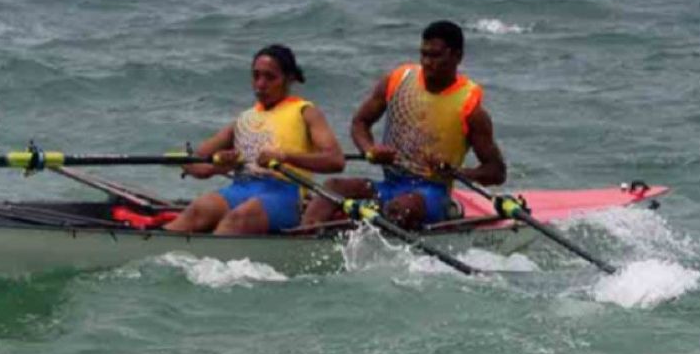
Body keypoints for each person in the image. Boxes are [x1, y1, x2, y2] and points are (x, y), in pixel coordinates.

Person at [302, 20, 506, 229]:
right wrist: (370, 150)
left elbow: (496, 172)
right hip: (390, 186)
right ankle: (305, 240)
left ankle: (447, 211)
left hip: (432, 193)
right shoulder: (399, 80)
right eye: (423, 54)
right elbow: (360, 123)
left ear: (457, 56)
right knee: (332, 187)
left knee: (401, 207)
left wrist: (457, 172)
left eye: (435, 55)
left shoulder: (471, 109)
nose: (427, 62)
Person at [164, 45, 345, 235]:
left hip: (284, 195)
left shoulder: (306, 112)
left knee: (239, 218)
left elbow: (335, 160)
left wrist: (284, 157)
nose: (260, 84)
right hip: (241, 188)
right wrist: (221, 166)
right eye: (256, 76)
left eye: (270, 77)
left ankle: (208, 260)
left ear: (289, 79)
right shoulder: (244, 120)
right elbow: (197, 164)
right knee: (198, 209)